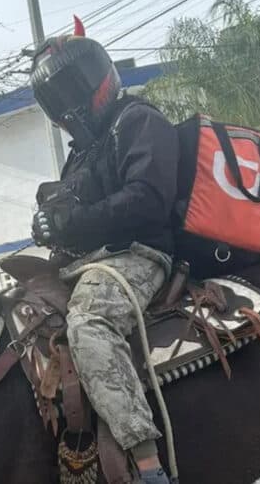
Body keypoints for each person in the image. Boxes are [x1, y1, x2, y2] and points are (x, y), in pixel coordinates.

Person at [29, 29, 178, 484]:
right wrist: (49, 224)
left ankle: (148, 465)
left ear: (93, 88)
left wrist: (76, 220)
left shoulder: (138, 121)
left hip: (140, 255)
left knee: (88, 322)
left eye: (69, 112)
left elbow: (149, 197)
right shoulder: (81, 155)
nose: (66, 123)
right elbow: (76, 216)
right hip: (90, 260)